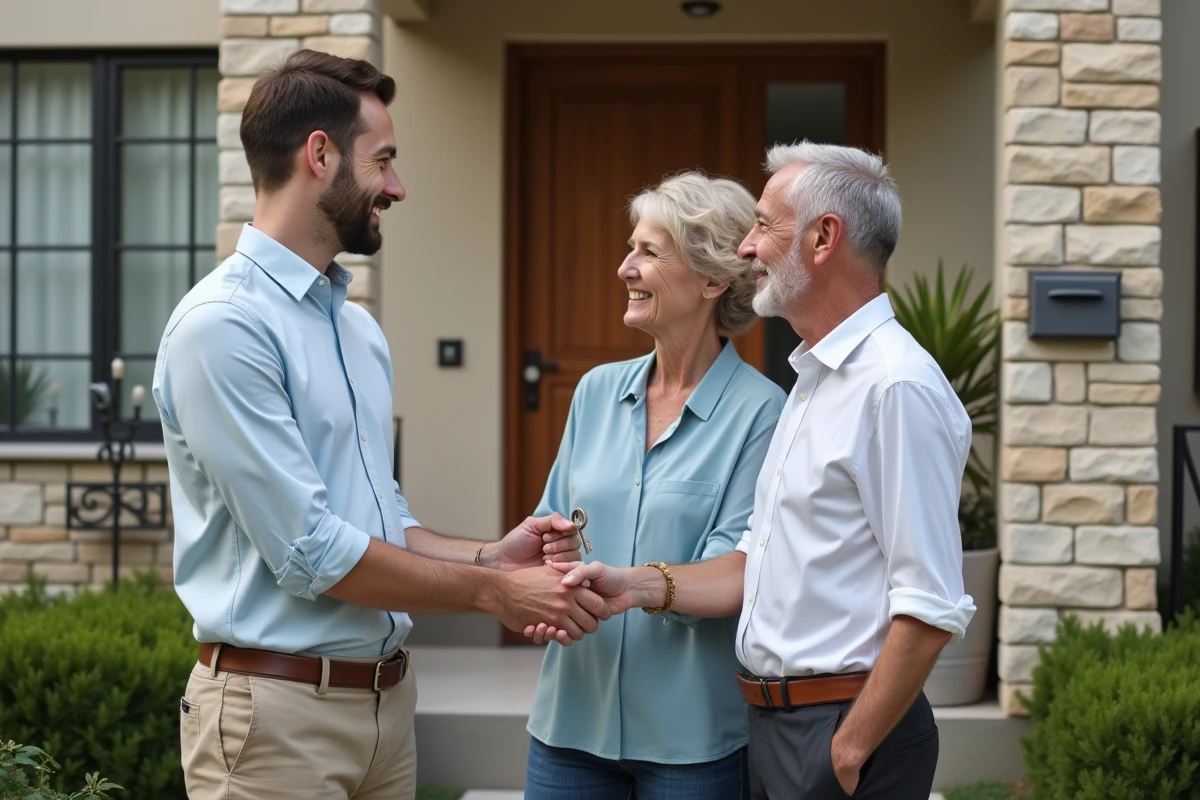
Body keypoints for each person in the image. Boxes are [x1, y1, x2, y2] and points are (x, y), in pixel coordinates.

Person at [152, 50, 608, 800]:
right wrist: (492, 598)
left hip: (388, 709)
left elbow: (378, 518)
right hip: (275, 720)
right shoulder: (223, 328)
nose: (397, 187)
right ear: (320, 155)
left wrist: (491, 557)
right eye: (385, 160)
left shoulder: (357, 331)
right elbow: (312, 551)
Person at [534, 141, 977, 799]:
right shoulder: (814, 380)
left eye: (765, 225)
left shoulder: (894, 386)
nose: (748, 247)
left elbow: (931, 602)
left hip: (832, 724)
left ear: (825, 237)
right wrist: (628, 585)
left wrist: (849, 747)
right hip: (775, 724)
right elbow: (759, 555)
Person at [521, 171, 786, 800]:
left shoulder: (763, 413)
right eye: (630, 247)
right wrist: (542, 585)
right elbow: (550, 528)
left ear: (712, 279)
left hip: (692, 743)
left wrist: (631, 586)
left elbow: (737, 570)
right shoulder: (593, 393)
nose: (624, 268)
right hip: (569, 728)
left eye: (648, 252)